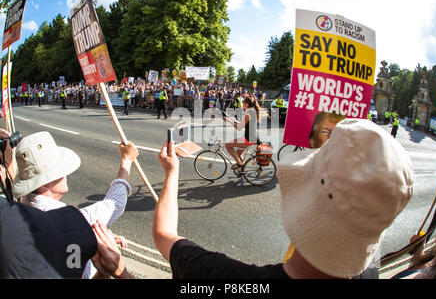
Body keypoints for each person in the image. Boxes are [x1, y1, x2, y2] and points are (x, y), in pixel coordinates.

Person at [152, 119, 414, 279]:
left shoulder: (223, 276)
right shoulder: (371, 274)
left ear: (307, 198)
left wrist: (172, 171)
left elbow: (164, 235)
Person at [12, 131, 139, 279]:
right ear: (47, 183)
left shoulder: (23, 210)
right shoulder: (72, 223)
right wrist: (127, 160)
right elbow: (115, 203)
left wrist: (94, 235)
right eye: (60, 171)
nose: (65, 175)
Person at [224, 97, 261, 170]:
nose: (242, 105)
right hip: (252, 137)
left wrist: (229, 121)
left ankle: (240, 164)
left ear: (247, 104)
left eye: (243, 103)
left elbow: (239, 128)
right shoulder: (252, 111)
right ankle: (242, 167)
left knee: (227, 145)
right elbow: (243, 124)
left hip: (248, 138)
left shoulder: (248, 113)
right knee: (237, 154)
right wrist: (234, 121)